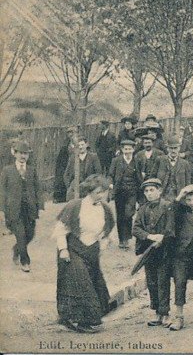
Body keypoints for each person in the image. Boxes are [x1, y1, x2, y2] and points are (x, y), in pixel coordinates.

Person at [52, 174, 114, 333]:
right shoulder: (75, 205)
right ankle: (83, 323)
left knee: (93, 283)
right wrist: (63, 249)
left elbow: (107, 232)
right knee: (81, 284)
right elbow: (60, 229)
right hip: (73, 250)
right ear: (90, 191)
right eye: (98, 192)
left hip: (91, 251)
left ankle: (68, 318)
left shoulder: (105, 209)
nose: (101, 195)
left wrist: (102, 246)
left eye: (104, 192)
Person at [132, 177, 175, 327]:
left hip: (164, 251)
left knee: (163, 281)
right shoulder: (142, 209)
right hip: (148, 251)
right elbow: (135, 228)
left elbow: (171, 228)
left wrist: (162, 238)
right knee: (152, 282)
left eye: (152, 190)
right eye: (146, 191)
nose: (149, 193)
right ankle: (157, 312)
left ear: (159, 191)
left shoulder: (168, 206)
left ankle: (165, 313)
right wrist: (149, 236)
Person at [168, 184, 193, 331]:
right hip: (182, 253)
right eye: (189, 199)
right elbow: (171, 210)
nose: (192, 202)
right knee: (179, 283)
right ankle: (179, 317)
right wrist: (180, 195)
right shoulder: (181, 211)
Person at [0, 139, 43, 272]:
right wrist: (2, 210)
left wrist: (39, 205)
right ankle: (25, 261)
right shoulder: (7, 171)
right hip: (14, 210)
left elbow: (37, 188)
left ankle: (16, 249)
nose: (23, 156)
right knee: (21, 235)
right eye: (21, 153)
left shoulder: (32, 170)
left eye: (26, 154)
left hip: (29, 209)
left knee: (30, 234)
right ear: (15, 154)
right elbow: (2, 191)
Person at [108, 138, 142, 249]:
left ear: (133, 150)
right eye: (125, 149)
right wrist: (111, 184)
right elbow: (110, 175)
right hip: (119, 192)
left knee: (128, 214)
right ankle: (122, 240)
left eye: (130, 149)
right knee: (120, 216)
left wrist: (141, 193)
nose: (127, 151)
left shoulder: (137, 161)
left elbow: (139, 178)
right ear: (122, 150)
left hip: (132, 192)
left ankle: (127, 237)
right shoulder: (116, 161)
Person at [162, 137, 193, 202]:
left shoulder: (185, 163)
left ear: (179, 148)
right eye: (171, 148)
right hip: (163, 194)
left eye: (175, 148)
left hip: (179, 195)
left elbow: (188, 182)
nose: (173, 151)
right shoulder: (161, 160)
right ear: (167, 149)